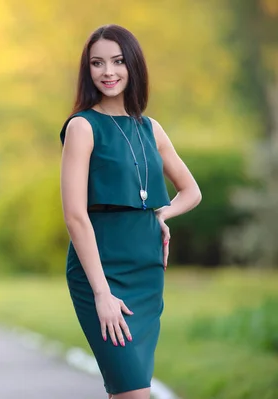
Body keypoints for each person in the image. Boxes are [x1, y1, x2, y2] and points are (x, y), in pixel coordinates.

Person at [59, 24, 202, 399]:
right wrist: (102, 293)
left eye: (118, 61)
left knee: (126, 391)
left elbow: (191, 191)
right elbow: (75, 216)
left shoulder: (151, 128)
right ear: (87, 70)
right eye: (97, 63)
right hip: (102, 273)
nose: (108, 72)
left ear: (133, 66)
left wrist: (161, 215)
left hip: (147, 274)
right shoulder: (82, 127)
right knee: (134, 393)